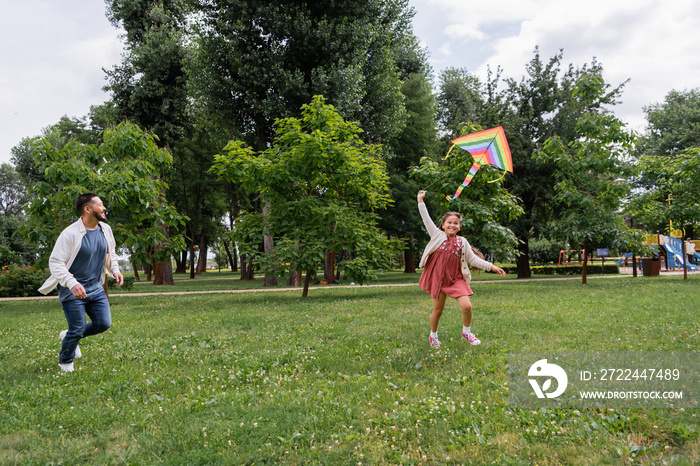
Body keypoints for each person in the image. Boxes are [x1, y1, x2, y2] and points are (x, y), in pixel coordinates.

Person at [39, 193, 123, 372]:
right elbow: (55, 262)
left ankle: (68, 335)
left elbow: (111, 253)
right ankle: (66, 363)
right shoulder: (69, 234)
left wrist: (115, 269)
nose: (104, 207)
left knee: (103, 323)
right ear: (88, 209)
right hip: (72, 289)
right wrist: (72, 283)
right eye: (100, 204)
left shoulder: (105, 229)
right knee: (77, 328)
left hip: (95, 287)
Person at [417, 190, 506, 348]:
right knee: (438, 310)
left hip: (455, 279)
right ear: (443, 225)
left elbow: (473, 260)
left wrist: (492, 267)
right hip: (438, 278)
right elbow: (425, 218)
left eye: (456, 223)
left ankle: (467, 332)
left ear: (459, 227)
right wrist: (420, 200)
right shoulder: (436, 235)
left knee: (467, 306)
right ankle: (433, 335)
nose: (452, 225)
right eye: (449, 222)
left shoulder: (462, 242)